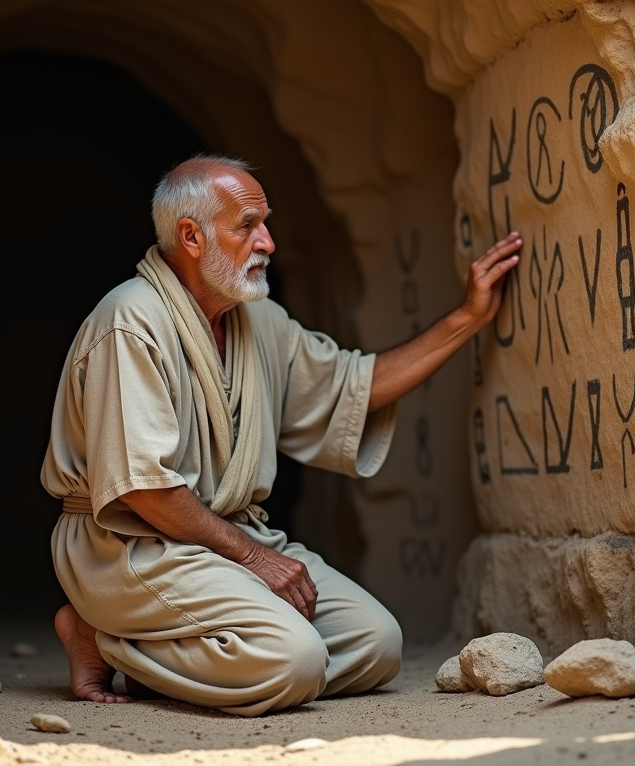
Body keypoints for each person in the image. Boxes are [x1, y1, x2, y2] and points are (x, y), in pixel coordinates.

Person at [41, 154, 522, 716]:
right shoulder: (130, 323)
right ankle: (99, 635)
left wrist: (466, 318)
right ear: (191, 237)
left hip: (223, 539)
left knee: (376, 644)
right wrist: (253, 559)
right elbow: (141, 490)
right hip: (131, 545)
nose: (267, 241)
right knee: (293, 662)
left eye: (266, 223)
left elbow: (353, 387)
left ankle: (171, 660)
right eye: (247, 226)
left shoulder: (258, 322)